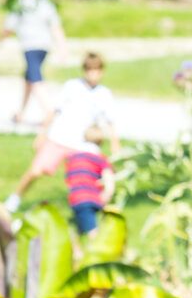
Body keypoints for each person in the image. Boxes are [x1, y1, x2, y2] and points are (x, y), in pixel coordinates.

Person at [7, 50, 120, 229]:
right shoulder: (72, 86)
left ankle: (92, 210)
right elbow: (54, 111)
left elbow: (111, 123)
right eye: (90, 70)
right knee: (36, 171)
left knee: (92, 177)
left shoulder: (104, 94)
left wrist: (115, 146)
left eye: (97, 70)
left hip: (82, 145)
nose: (93, 74)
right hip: (59, 138)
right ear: (84, 70)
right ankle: (14, 200)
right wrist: (42, 133)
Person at [1, 0, 66, 128]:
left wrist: (0, 38)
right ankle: (21, 112)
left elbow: (9, 26)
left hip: (30, 45)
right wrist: (62, 46)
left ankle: (49, 111)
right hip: (44, 45)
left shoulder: (20, 4)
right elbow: (55, 26)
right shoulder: (44, 2)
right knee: (29, 77)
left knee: (36, 78)